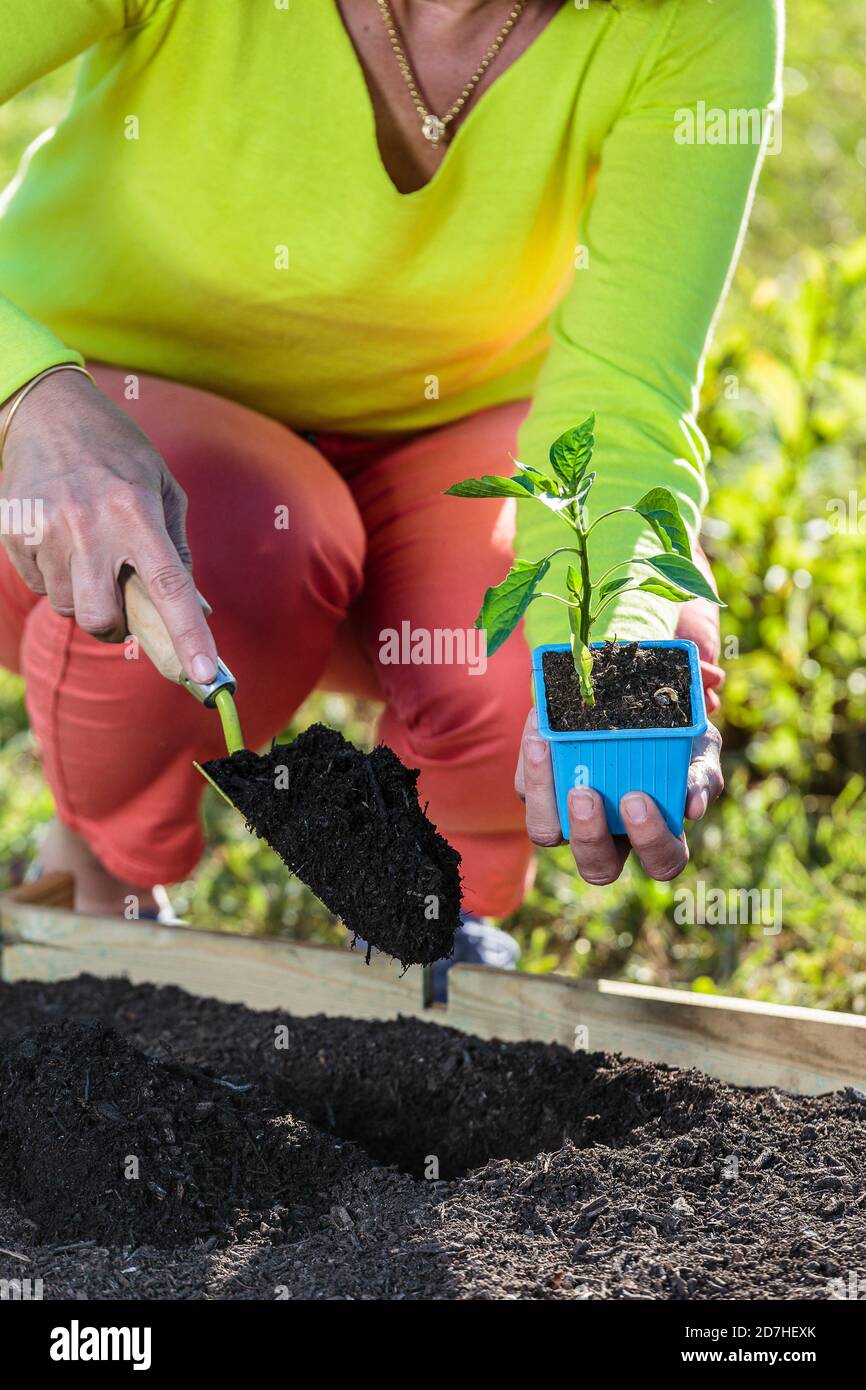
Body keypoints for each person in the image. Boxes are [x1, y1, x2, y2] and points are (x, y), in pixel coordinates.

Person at [0, 0, 781, 982]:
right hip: (97, 417)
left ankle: (424, 935)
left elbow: (622, 400)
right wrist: (24, 394)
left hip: (450, 424)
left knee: (528, 659)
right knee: (226, 543)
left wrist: (620, 621)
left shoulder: (697, 18)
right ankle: (101, 869)